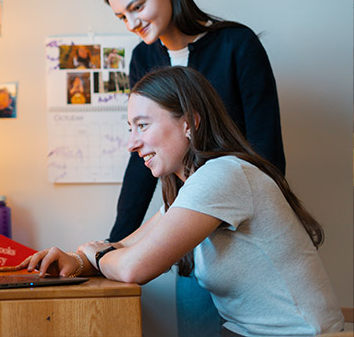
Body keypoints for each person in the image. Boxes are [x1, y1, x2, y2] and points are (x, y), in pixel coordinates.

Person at [18, 67, 344, 337]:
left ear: (189, 123)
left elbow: (133, 267)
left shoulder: (222, 176)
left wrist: (95, 254)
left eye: (142, 125)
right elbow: (123, 247)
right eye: (130, 128)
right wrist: (75, 261)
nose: (132, 143)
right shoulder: (193, 190)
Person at [102, 0, 286, 335]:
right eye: (122, 16)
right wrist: (116, 243)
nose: (132, 22)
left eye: (137, 6)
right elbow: (143, 159)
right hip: (185, 232)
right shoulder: (142, 58)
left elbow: (267, 151)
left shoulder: (238, 44)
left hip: (242, 228)